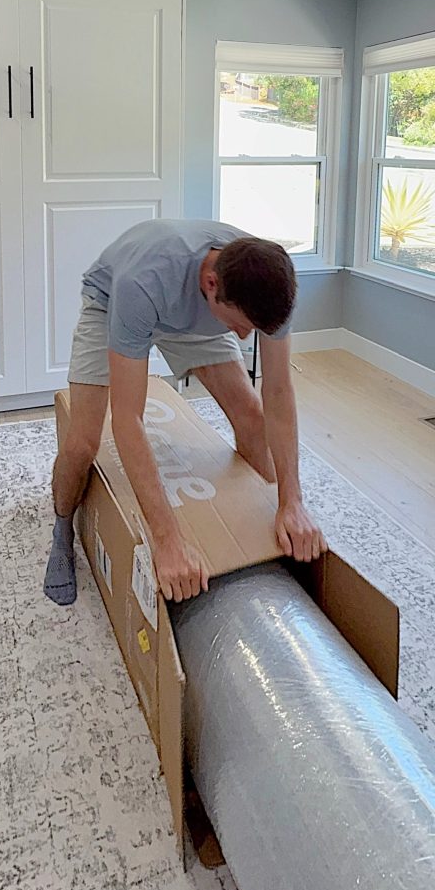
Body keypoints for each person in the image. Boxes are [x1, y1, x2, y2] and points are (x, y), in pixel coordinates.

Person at [45, 218, 327, 607]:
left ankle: (266, 537)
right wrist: (168, 542)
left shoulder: (269, 282)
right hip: (114, 305)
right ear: (212, 284)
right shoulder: (142, 282)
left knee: (253, 417)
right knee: (83, 444)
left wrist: (292, 501)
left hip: (202, 315)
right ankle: (62, 529)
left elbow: (278, 391)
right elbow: (129, 420)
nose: (245, 338)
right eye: (243, 327)